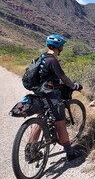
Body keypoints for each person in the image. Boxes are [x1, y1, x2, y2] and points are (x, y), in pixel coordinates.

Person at [27, 34, 83, 162]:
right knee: (60, 124)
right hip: (51, 96)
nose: (63, 47)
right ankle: (70, 153)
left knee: (40, 118)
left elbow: (46, 76)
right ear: (59, 47)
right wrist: (74, 85)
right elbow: (63, 77)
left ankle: (30, 151)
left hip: (40, 93)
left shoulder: (42, 57)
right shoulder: (52, 60)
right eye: (62, 45)